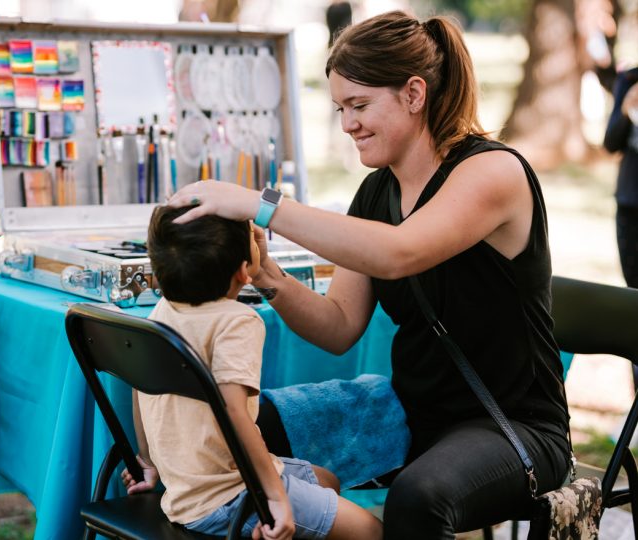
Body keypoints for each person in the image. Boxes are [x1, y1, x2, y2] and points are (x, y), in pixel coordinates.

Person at [167, 10, 571, 538]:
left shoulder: (493, 172)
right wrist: (269, 277)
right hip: (409, 411)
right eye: (340, 107)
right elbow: (338, 326)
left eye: (359, 105)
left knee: (417, 499)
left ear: (414, 94)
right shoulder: (376, 191)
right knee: (224, 427)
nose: (347, 124)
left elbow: (399, 253)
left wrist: (259, 203)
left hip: (513, 426)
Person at [122, 205, 383, 540]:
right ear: (244, 271)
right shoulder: (237, 321)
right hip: (229, 498)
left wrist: (147, 460)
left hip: (188, 488)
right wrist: (273, 498)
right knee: (371, 530)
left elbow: (139, 383)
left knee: (327, 481)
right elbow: (235, 414)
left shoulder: (163, 311)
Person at [603, 66, 638, 290]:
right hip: (630, 199)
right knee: (633, 285)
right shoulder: (629, 79)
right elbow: (611, 143)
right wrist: (626, 109)